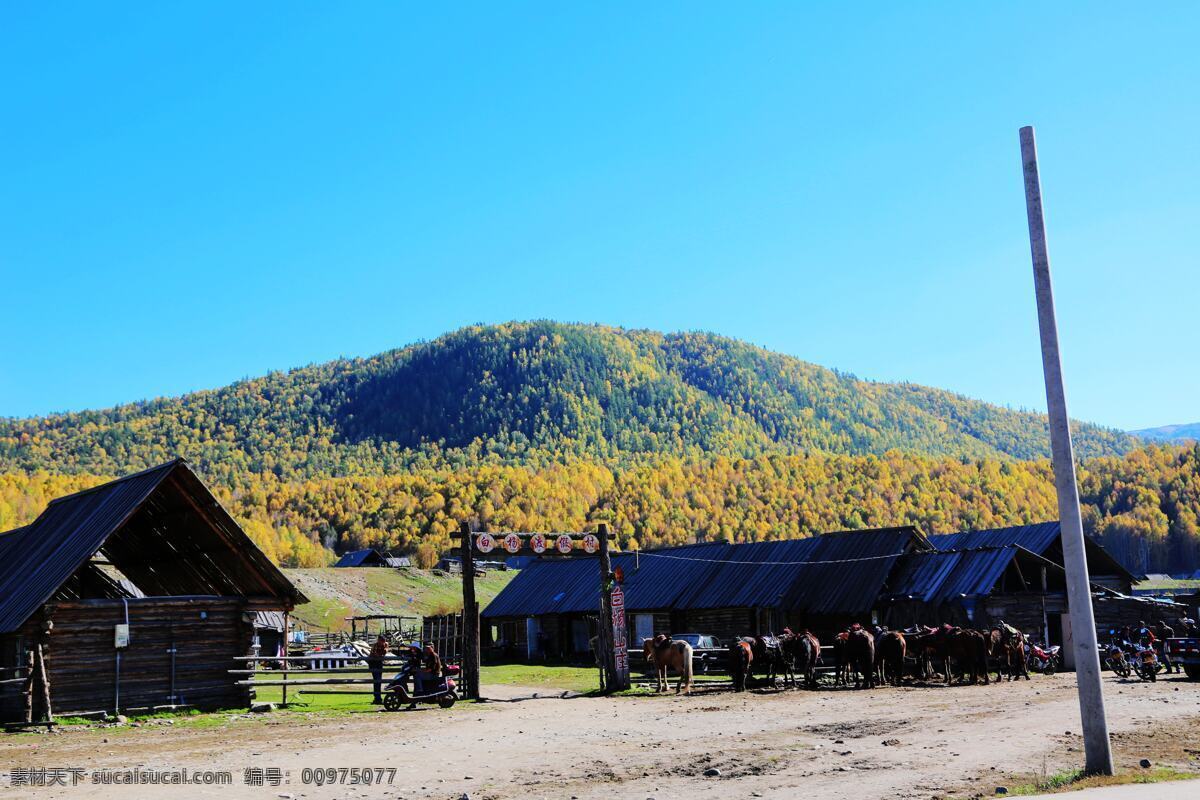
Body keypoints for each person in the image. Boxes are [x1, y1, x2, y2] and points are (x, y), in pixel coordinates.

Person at [368, 634, 389, 704]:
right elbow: (375, 655)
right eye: (381, 641)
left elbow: (385, 651)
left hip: (379, 663)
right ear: (378, 640)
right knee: (376, 680)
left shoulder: (385, 644)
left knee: (379, 680)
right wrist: (381, 655)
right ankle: (377, 697)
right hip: (373, 663)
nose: (382, 643)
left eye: (383, 641)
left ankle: (378, 698)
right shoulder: (375, 646)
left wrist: (383, 653)